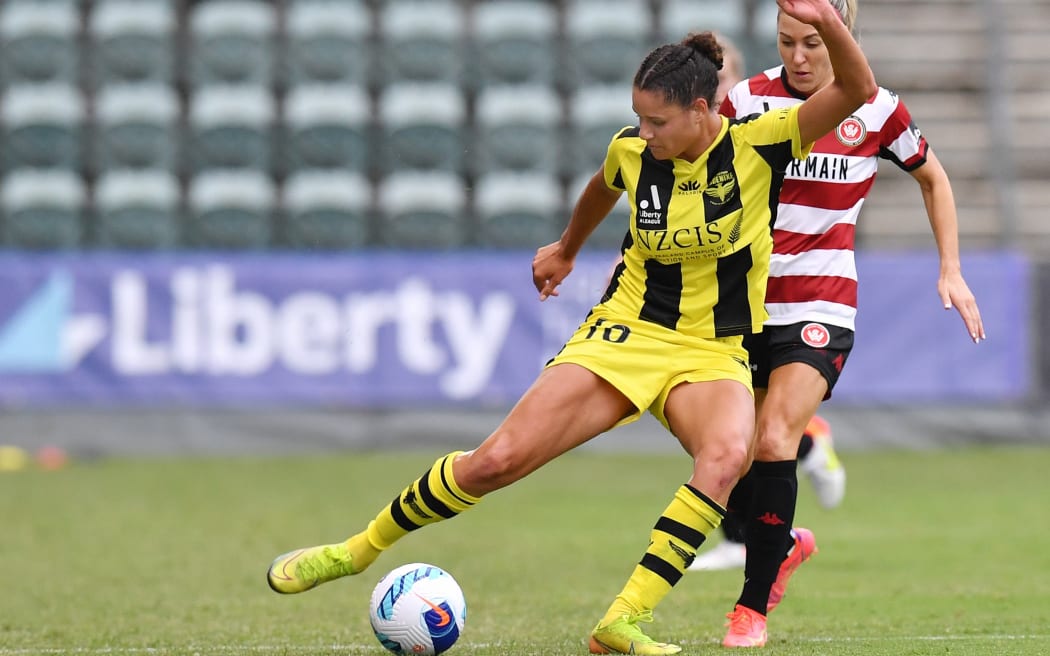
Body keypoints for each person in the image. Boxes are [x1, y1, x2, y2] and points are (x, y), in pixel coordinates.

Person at [266, 1, 877, 653]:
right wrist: (565, 249)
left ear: (704, 112)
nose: (643, 131)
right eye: (639, 116)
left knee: (727, 458)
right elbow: (601, 186)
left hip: (713, 352)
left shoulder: (763, 143)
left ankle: (622, 621)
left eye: (658, 120)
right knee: (493, 462)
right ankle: (355, 552)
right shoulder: (633, 152)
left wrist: (829, 23)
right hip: (626, 335)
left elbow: (858, 90)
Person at [710, 0, 986, 648]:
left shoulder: (877, 109)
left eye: (812, 43)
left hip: (822, 306)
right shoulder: (746, 101)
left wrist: (951, 268)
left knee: (778, 437)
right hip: (746, 307)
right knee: (731, 460)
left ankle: (749, 611)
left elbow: (934, 179)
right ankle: (785, 545)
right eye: (786, 43)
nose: (799, 58)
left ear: (841, 34)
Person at [690, 32, 848, 576]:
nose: (718, 90)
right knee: (732, 433)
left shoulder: (762, 113)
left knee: (749, 435)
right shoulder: (726, 118)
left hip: (790, 295)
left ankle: (751, 543)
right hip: (735, 291)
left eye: (723, 77)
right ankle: (806, 451)